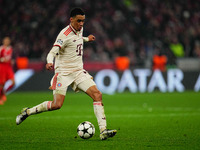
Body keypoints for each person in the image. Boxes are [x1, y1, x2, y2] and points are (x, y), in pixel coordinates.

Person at [16, 7, 117, 140]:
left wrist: (87, 39)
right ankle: (27, 112)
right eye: (79, 21)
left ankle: (103, 130)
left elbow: (78, 40)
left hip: (79, 72)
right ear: (71, 20)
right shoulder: (64, 34)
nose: (81, 24)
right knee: (56, 105)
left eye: (83, 21)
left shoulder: (80, 29)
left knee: (97, 95)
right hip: (63, 73)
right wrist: (49, 62)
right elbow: (52, 52)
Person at [0, 37, 15, 105]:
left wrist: (12, 61)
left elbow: (11, 57)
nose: (7, 42)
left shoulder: (11, 49)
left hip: (8, 67)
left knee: (13, 82)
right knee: (1, 84)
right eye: (6, 41)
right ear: (3, 41)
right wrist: (2, 60)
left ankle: (4, 93)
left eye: (8, 41)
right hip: (2, 67)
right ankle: (1, 98)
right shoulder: (1, 49)